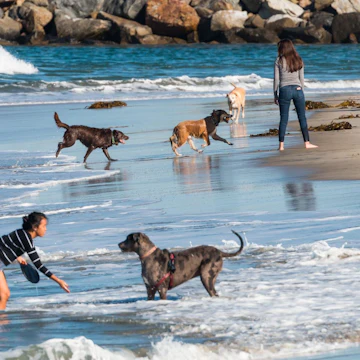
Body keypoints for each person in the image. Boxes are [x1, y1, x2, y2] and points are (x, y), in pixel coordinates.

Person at [0, 212, 70, 310]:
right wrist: (59, 281)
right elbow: (38, 265)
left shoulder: (20, 233)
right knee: (4, 295)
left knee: (4, 294)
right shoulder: (26, 239)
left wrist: (17, 256)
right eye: (44, 226)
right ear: (35, 227)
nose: (46, 229)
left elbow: (5, 243)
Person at [274, 39, 318, 151]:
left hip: (284, 90)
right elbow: (301, 79)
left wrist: (275, 94)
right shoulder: (299, 59)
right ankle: (307, 143)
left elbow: (276, 79)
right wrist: (300, 90)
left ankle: (281, 146)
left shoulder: (279, 60)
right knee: (302, 117)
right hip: (298, 89)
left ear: (282, 48)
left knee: (284, 118)